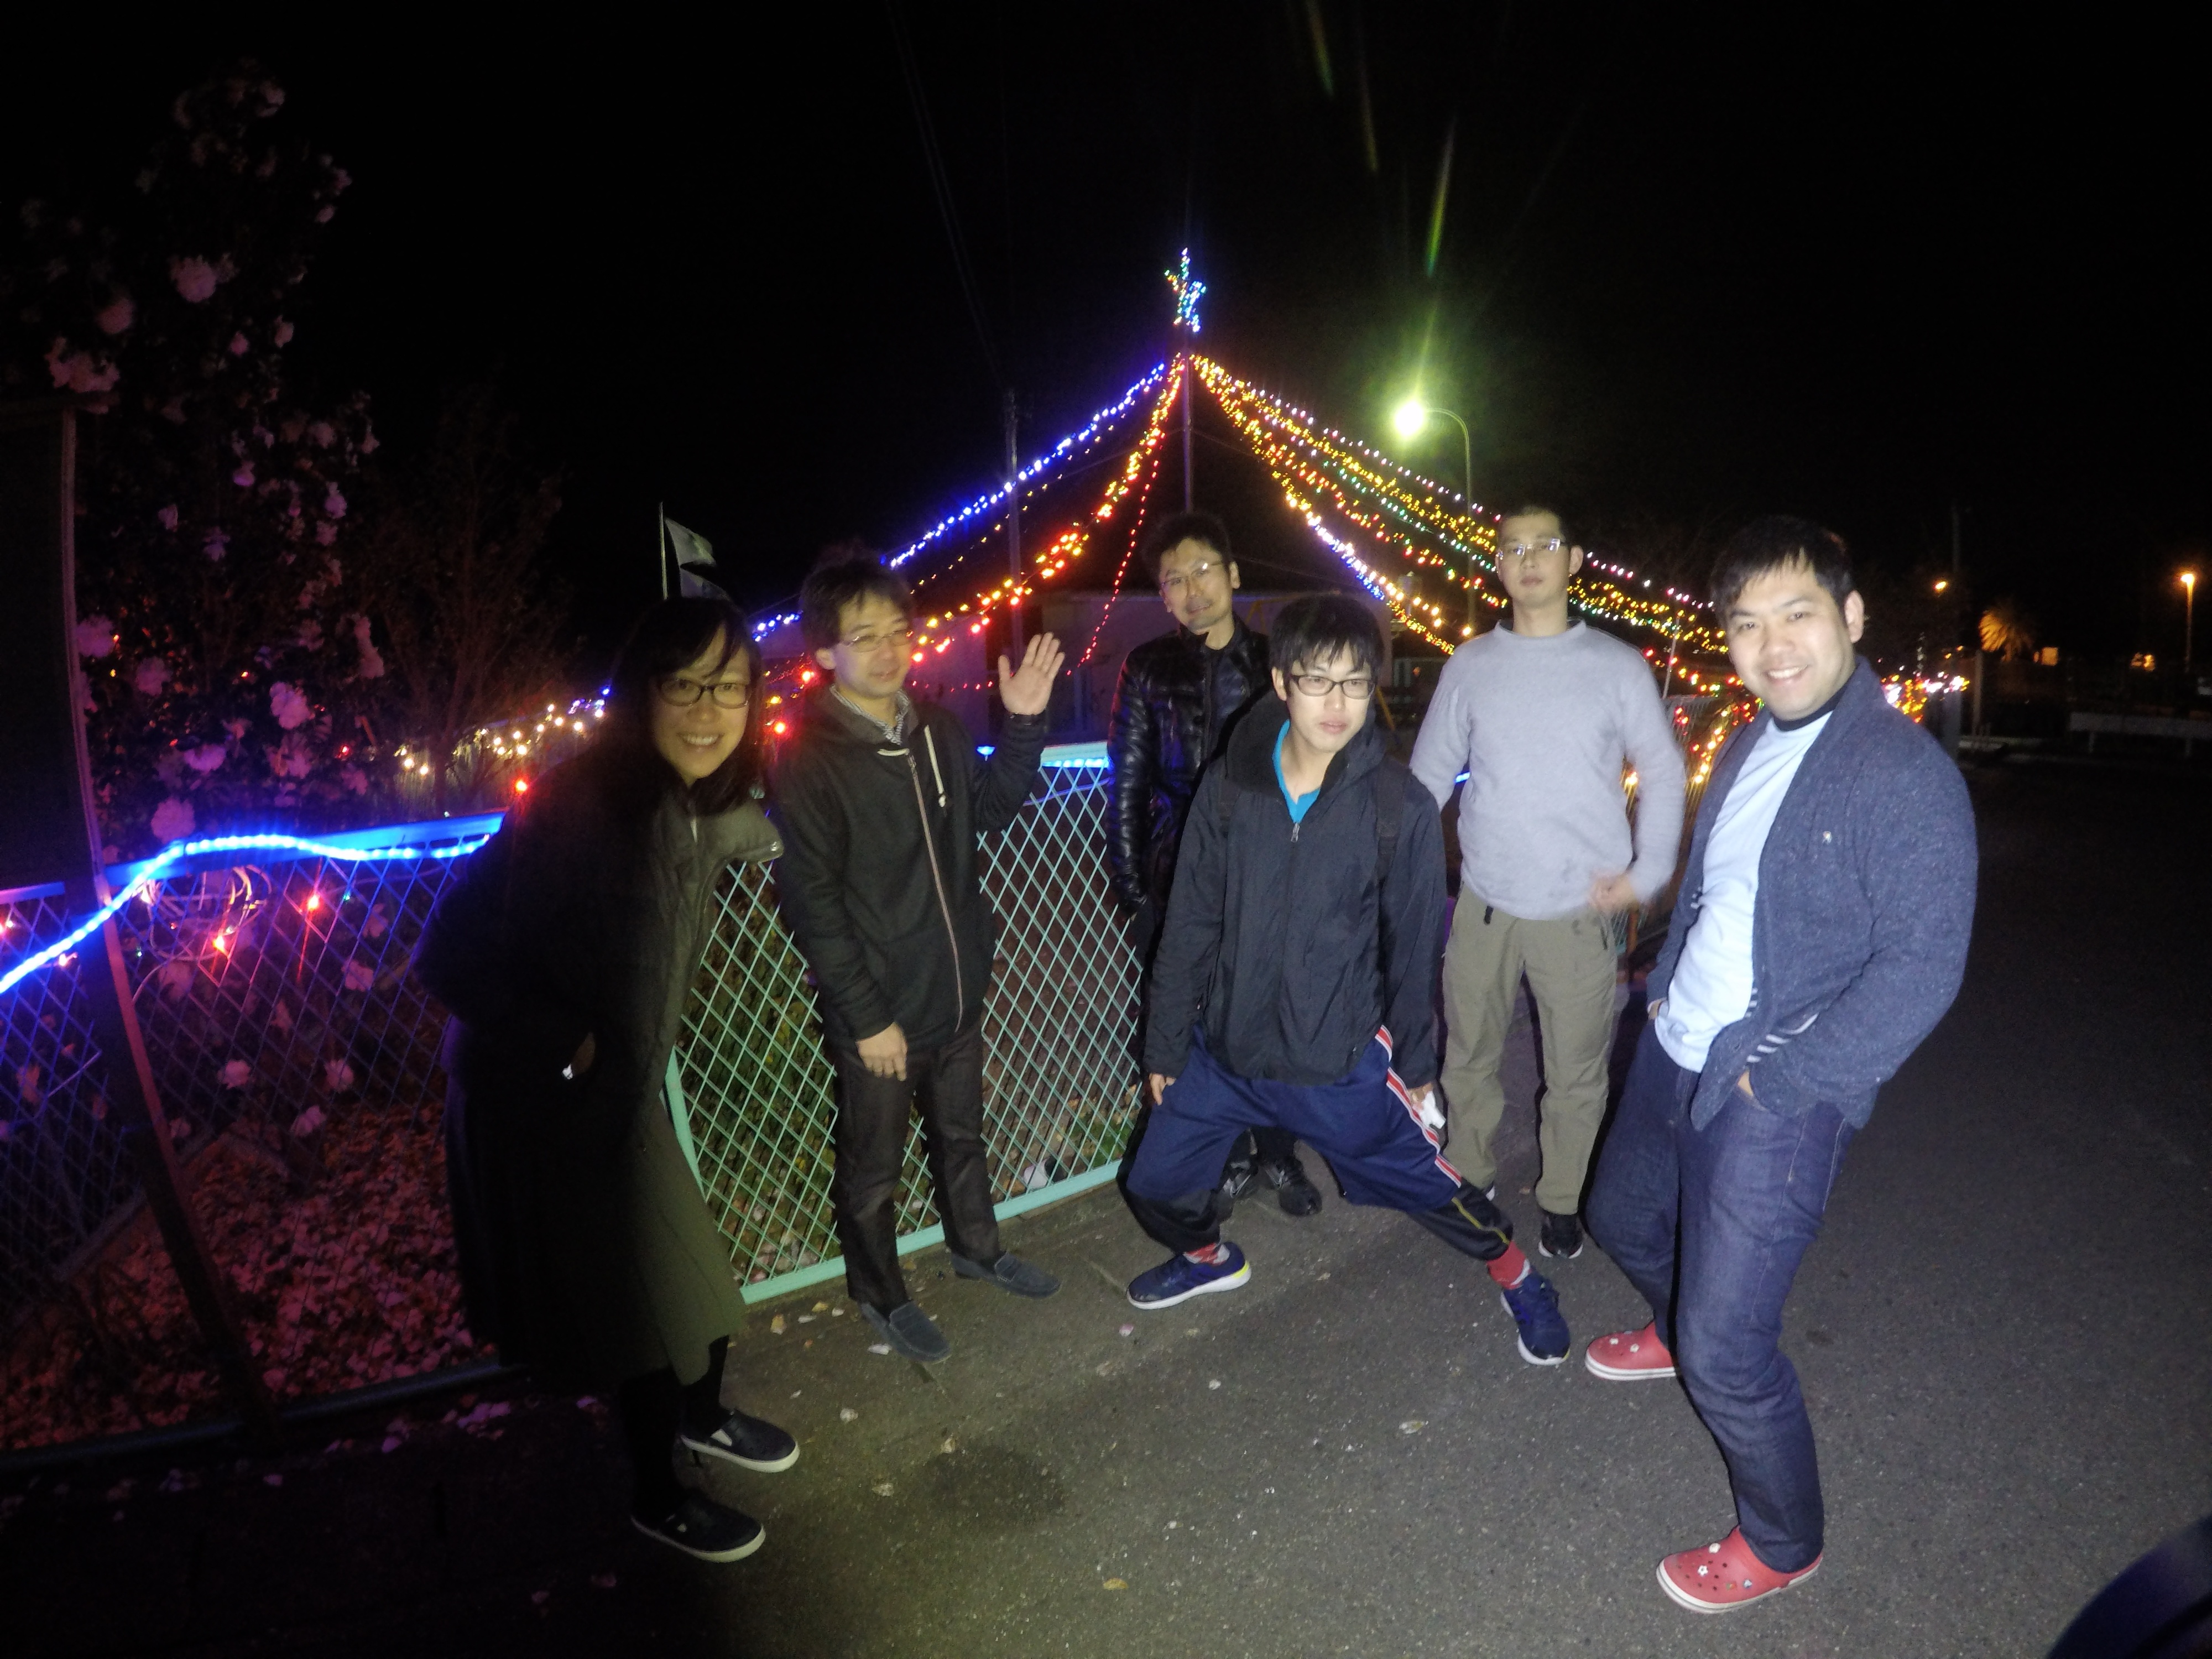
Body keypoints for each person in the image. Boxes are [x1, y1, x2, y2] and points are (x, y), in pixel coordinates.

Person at [1582, 517, 1976, 1612]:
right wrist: (1663, 984)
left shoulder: (1901, 775)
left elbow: (1923, 968)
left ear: (1850, 616)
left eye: (1796, 615)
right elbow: (1720, 889)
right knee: (1620, 1215)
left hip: (1774, 1086)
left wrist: (1785, 1080)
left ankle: (1784, 1539)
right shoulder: (1754, 739)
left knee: (1729, 1351)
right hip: (1678, 1042)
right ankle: (1677, 1326)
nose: (1772, 645)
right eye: (1747, 624)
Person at [418, 597, 798, 1565]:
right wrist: (568, 1043)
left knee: (694, 1279)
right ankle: (657, 1496)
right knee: (647, 1314)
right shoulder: (581, 804)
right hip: (538, 1097)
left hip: (615, 1089)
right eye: (685, 685)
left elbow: (750, 831)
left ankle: (701, 1418)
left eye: (730, 687)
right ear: (642, 694)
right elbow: (445, 951)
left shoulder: (693, 799)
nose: (709, 710)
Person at [1120, 593, 1571, 1367]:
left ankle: (1518, 1274)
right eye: (1317, 680)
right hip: (1226, 1053)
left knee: (1427, 1186)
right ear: (1280, 681)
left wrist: (1417, 1068)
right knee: (1154, 1181)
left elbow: (1411, 949)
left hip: (1337, 1066)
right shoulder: (1230, 785)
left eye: (1355, 683)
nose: (1337, 703)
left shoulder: (1398, 806)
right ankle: (1207, 1259)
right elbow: (1188, 923)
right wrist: (1163, 1045)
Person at [770, 554, 1065, 1365]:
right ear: (824, 651)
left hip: (957, 988)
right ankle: (879, 1291)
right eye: (864, 636)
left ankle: (977, 1248)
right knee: (874, 1171)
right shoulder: (809, 757)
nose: (888, 650)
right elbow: (811, 903)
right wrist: (867, 1018)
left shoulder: (936, 728)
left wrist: (1025, 723)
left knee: (963, 1136)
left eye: (898, 632)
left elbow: (992, 810)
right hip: (880, 1012)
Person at [1408, 505, 1687, 1262]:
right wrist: (1397, 871)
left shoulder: (1616, 666)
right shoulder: (1471, 665)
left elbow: (1662, 771)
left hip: (1579, 909)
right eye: (1512, 548)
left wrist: (1646, 874)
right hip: (1484, 904)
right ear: (1498, 564)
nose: (1528, 559)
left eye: (1545, 545)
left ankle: (1563, 1196)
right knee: (1467, 1056)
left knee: (1577, 1072)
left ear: (1575, 560)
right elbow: (1427, 778)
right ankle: (1470, 1176)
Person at [1105, 510, 1323, 1217]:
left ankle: (1280, 1153)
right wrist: (1132, 890)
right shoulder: (1147, 667)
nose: (1192, 589)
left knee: (1274, 1018)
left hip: (1266, 873)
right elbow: (1128, 780)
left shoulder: (1274, 663)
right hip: (1175, 876)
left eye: (1203, 570)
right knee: (1190, 1022)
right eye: (1175, 579)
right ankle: (1224, 1157)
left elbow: (1311, 766)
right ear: (1163, 595)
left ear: (1232, 575)